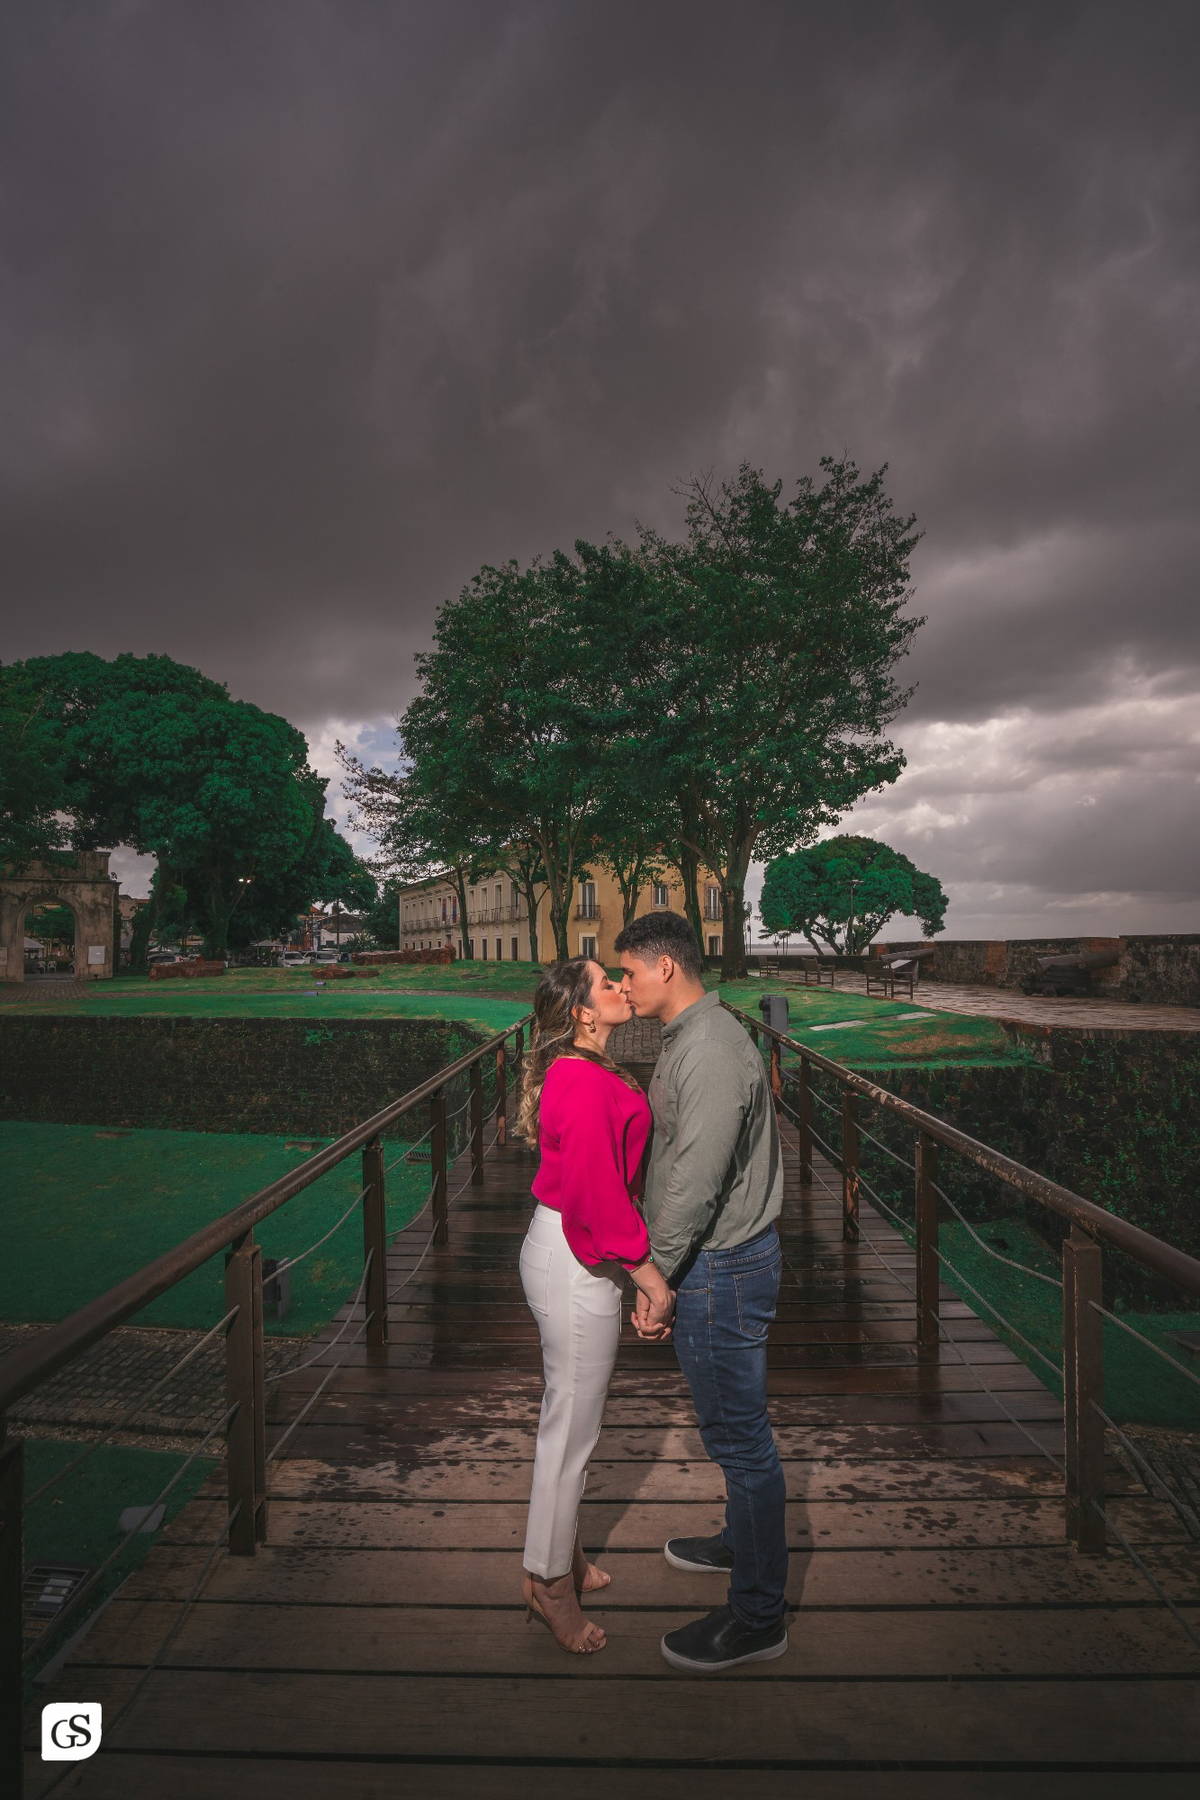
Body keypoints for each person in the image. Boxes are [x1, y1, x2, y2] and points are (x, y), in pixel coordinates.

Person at [615, 911, 789, 1673]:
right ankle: (741, 1544)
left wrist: (653, 1276)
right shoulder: (692, 1035)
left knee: (742, 1443)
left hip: (721, 1269)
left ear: (665, 967)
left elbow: (694, 1181)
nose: (622, 985)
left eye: (628, 972)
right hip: (718, 1264)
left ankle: (758, 1617)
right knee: (733, 1435)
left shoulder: (710, 1050)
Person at [516, 956, 674, 1654]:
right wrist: (648, 1276)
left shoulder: (586, 1066)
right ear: (581, 1011)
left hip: (574, 1252)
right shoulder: (579, 1079)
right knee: (570, 1432)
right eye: (606, 983)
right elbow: (595, 1191)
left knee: (572, 1419)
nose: (620, 986)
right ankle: (549, 1582)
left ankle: (565, 1553)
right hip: (574, 1258)